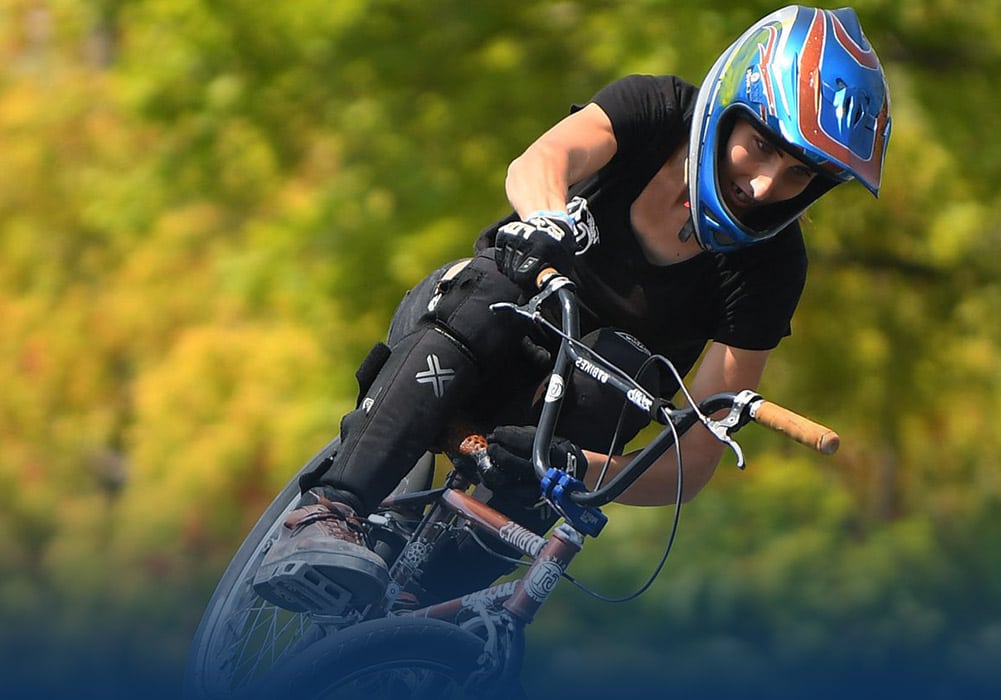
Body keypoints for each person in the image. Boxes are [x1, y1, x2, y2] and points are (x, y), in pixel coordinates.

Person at [253, 4, 891, 615]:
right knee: (493, 295)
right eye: (759, 146)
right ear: (727, 107)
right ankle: (327, 512)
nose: (764, 188)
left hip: (554, 430)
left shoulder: (772, 266)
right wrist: (544, 223)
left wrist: (572, 467)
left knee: (616, 385)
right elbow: (542, 161)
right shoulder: (654, 109)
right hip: (468, 333)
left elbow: (688, 466)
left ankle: (410, 630)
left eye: (799, 175)